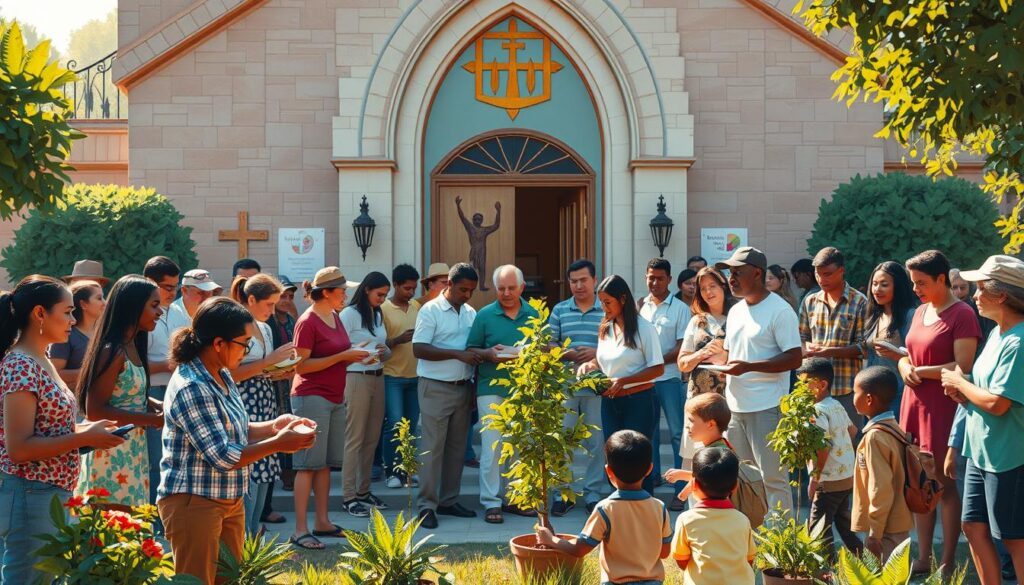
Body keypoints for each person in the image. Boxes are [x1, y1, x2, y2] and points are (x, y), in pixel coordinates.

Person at [157, 297, 316, 583]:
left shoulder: (220, 372)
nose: (248, 349)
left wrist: (274, 426)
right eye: (244, 342)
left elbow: (235, 429)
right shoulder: (192, 386)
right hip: (195, 502)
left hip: (228, 498)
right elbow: (224, 455)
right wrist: (280, 442)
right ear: (219, 343)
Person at [0, 276, 125, 584]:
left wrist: (89, 430)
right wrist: (84, 437)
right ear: (40, 314)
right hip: (31, 491)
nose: (73, 320)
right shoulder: (20, 364)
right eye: (67, 311)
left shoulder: (41, 358)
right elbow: (19, 447)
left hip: (49, 492)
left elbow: (50, 427)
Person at [940, 255, 1024, 584]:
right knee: (973, 526)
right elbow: (985, 392)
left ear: (1000, 294)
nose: (973, 295)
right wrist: (964, 392)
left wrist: (960, 383)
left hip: (1010, 457)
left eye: (979, 288)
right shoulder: (996, 334)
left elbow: (999, 404)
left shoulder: (1019, 341)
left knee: (1015, 538)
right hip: (981, 452)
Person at [899, 249, 980, 573]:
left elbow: (964, 365)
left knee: (944, 487)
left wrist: (921, 370)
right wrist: (904, 364)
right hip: (914, 405)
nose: (915, 288)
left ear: (941, 279)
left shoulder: (963, 313)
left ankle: (946, 560)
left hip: (944, 407)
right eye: (913, 282)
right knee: (920, 485)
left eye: (921, 282)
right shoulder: (920, 312)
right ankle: (923, 558)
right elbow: (909, 351)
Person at [715, 246, 802, 514]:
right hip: (735, 407)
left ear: (757, 273)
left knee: (773, 480)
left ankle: (781, 546)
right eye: (729, 273)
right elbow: (732, 355)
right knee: (742, 479)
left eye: (737, 272)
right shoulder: (736, 311)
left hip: (767, 407)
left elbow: (795, 358)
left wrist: (747, 367)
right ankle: (751, 541)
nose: (731, 278)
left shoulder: (780, 310)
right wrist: (722, 365)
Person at [288, 267, 369, 549]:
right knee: (307, 465)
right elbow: (301, 366)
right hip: (311, 397)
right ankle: (300, 530)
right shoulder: (307, 321)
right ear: (326, 292)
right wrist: (344, 356)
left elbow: (336, 356)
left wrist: (357, 358)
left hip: (335, 397)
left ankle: (322, 522)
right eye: (342, 290)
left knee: (324, 466)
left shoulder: (334, 316)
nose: (346, 294)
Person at [534, 431, 672, 585]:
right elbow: (665, 552)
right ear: (649, 469)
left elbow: (580, 549)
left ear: (608, 471)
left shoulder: (605, 509)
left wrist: (551, 540)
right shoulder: (659, 508)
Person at [76, 275, 165, 509]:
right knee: (113, 533)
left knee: (131, 529)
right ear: (132, 307)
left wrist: (155, 404)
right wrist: (153, 420)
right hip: (110, 453)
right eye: (154, 305)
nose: (160, 312)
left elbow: (128, 395)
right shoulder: (112, 350)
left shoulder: (133, 344)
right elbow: (95, 410)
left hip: (132, 449)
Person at [578, 275, 664, 495]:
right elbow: (604, 359)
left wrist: (624, 381)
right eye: (601, 302)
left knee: (637, 459)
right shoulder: (605, 327)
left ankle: (646, 511)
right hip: (610, 402)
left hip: (640, 402)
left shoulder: (645, 328)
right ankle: (619, 509)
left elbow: (658, 369)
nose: (603, 307)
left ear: (623, 299)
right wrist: (589, 364)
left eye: (608, 302)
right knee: (614, 456)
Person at [466, 265, 538, 524]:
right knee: (493, 447)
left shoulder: (534, 314)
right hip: (491, 389)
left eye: (511, 288)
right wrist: (488, 354)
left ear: (521, 287)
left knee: (519, 446)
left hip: (523, 390)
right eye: (501, 288)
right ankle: (491, 501)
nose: (506, 293)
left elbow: (544, 350)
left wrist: (525, 353)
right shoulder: (485, 315)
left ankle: (516, 499)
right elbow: (472, 349)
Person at [412, 263, 482, 529]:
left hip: (463, 386)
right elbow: (419, 348)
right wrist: (457, 354)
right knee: (432, 449)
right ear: (449, 284)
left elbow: (473, 348)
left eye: (471, 290)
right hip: (435, 387)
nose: (467, 295)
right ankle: (426, 506)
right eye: (463, 289)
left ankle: (448, 500)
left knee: (456, 450)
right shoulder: (430, 310)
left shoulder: (470, 312)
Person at [229, 274, 295, 535]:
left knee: (264, 470)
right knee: (249, 472)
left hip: (265, 397)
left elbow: (260, 369)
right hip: (244, 401)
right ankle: (242, 536)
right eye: (268, 304)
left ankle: (253, 533)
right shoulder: (236, 326)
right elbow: (230, 374)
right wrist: (269, 363)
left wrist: (279, 371)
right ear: (251, 299)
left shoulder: (265, 328)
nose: (273, 309)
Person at [549, 259, 606, 516]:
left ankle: (593, 494)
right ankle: (563, 493)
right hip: (565, 388)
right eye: (573, 281)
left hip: (597, 388)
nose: (578, 285)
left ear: (594, 280)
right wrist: (568, 354)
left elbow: (619, 345)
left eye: (583, 280)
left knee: (596, 443)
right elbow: (547, 345)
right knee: (563, 442)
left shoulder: (606, 310)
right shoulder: (560, 310)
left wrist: (597, 353)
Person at [339, 272, 393, 518]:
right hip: (356, 377)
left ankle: (363, 492)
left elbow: (385, 348)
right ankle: (348, 496)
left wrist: (384, 350)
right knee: (355, 438)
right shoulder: (349, 314)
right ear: (367, 289)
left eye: (385, 295)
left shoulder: (378, 313)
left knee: (372, 438)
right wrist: (356, 350)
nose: (382, 299)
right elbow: (337, 347)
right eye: (379, 294)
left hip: (377, 375)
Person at [638, 258, 690, 506]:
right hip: (645, 380)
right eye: (650, 277)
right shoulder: (640, 307)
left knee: (678, 432)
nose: (654, 282)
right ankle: (653, 479)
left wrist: (656, 361)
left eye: (659, 278)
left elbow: (681, 347)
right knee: (649, 433)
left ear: (669, 279)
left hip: (669, 378)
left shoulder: (680, 309)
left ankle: (681, 488)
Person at [799, 358, 862, 559]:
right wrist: (842, 455)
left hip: (828, 482)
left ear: (822, 385)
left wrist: (814, 479)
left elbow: (822, 448)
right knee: (844, 525)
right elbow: (852, 431)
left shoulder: (816, 411)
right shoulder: (835, 404)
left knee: (818, 530)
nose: (800, 389)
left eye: (804, 383)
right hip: (845, 478)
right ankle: (868, 562)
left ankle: (827, 573)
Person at [799, 247, 868, 425]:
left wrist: (829, 351)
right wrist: (807, 349)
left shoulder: (859, 302)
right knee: (815, 446)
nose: (822, 280)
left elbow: (864, 347)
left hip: (846, 388)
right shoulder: (810, 301)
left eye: (827, 274)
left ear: (841, 271)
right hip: (812, 387)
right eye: (818, 274)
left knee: (848, 443)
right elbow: (801, 337)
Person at [851, 366, 913, 562]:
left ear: (869, 399)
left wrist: (874, 532)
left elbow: (880, 487)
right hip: (895, 523)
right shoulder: (894, 429)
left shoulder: (874, 438)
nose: (853, 397)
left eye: (855, 392)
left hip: (884, 529)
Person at [670, 447, 756, 585]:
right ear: (735, 486)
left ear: (693, 484)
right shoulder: (742, 520)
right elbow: (749, 559)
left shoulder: (686, 520)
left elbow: (681, 559)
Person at [676, 267, 735, 469]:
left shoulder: (738, 317)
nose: (708, 292)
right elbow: (682, 363)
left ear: (723, 287)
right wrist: (701, 354)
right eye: (702, 288)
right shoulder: (697, 321)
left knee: (724, 460)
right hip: (698, 400)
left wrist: (725, 356)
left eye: (712, 286)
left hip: (728, 399)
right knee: (694, 460)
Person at [143, 255, 184, 504]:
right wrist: (167, 365)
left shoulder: (177, 312)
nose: (172, 292)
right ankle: (152, 522)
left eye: (175, 287)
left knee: (171, 458)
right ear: (150, 281)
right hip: (152, 392)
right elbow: (132, 364)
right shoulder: (142, 316)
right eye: (167, 287)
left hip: (175, 390)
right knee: (155, 461)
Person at [381, 264, 421, 489]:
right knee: (395, 425)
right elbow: (378, 344)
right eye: (406, 288)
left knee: (411, 426)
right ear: (395, 285)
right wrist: (397, 340)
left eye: (413, 288)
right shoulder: (384, 309)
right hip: (392, 376)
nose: (410, 293)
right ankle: (392, 471)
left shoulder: (417, 307)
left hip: (416, 376)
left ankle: (407, 470)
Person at [861, 261, 918, 419]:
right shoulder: (874, 316)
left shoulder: (911, 316)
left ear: (898, 286)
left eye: (884, 285)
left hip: (898, 393)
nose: (877, 290)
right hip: (872, 393)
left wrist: (896, 356)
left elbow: (919, 358)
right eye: (874, 284)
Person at [262, 275, 299, 520]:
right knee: (272, 430)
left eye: (290, 296)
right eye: (282, 296)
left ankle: (289, 471)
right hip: (270, 384)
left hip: (288, 382)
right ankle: (267, 504)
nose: (286, 301)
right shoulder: (269, 322)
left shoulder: (292, 320)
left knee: (288, 423)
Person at [663, 391, 732, 505]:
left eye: (691, 421)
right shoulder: (710, 447)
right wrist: (683, 494)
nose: (686, 425)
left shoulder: (719, 452)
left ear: (710, 424)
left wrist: (682, 475)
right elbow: (700, 475)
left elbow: (711, 477)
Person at [49, 280, 105, 386]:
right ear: (83, 304)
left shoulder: (104, 332)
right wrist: (92, 372)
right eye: (99, 298)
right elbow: (55, 373)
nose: (105, 303)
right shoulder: (66, 335)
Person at [952, 267, 997, 340]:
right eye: (954, 287)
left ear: (969, 286)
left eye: (963, 287)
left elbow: (989, 335)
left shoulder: (980, 307)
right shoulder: (943, 309)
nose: (959, 291)